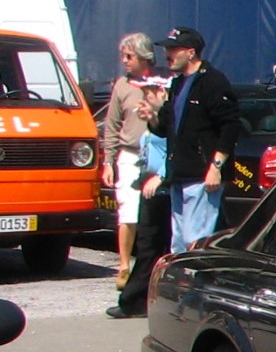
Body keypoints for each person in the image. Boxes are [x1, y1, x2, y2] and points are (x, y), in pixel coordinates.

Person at [149, 26, 242, 251]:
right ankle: (180, 283)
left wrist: (216, 166)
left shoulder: (212, 81)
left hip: (202, 176)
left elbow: (230, 125)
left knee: (196, 240)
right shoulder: (178, 84)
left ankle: (196, 282)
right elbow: (163, 129)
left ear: (190, 52)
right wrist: (151, 115)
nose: (167, 54)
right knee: (179, 242)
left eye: (173, 49)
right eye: (166, 49)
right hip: (179, 174)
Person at [100, 31, 157, 289]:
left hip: (157, 156)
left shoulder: (162, 81)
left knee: (156, 215)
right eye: (123, 56)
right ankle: (124, 266)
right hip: (129, 155)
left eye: (129, 56)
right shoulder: (121, 86)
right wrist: (108, 161)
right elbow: (111, 126)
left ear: (144, 57)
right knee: (127, 212)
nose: (124, 60)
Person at [105, 123, 169, 319]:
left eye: (150, 93)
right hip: (148, 183)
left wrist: (162, 175)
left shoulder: (171, 119)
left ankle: (136, 300)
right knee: (148, 245)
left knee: (156, 244)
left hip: (164, 186)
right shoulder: (154, 122)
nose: (143, 102)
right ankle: (137, 300)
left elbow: (177, 151)